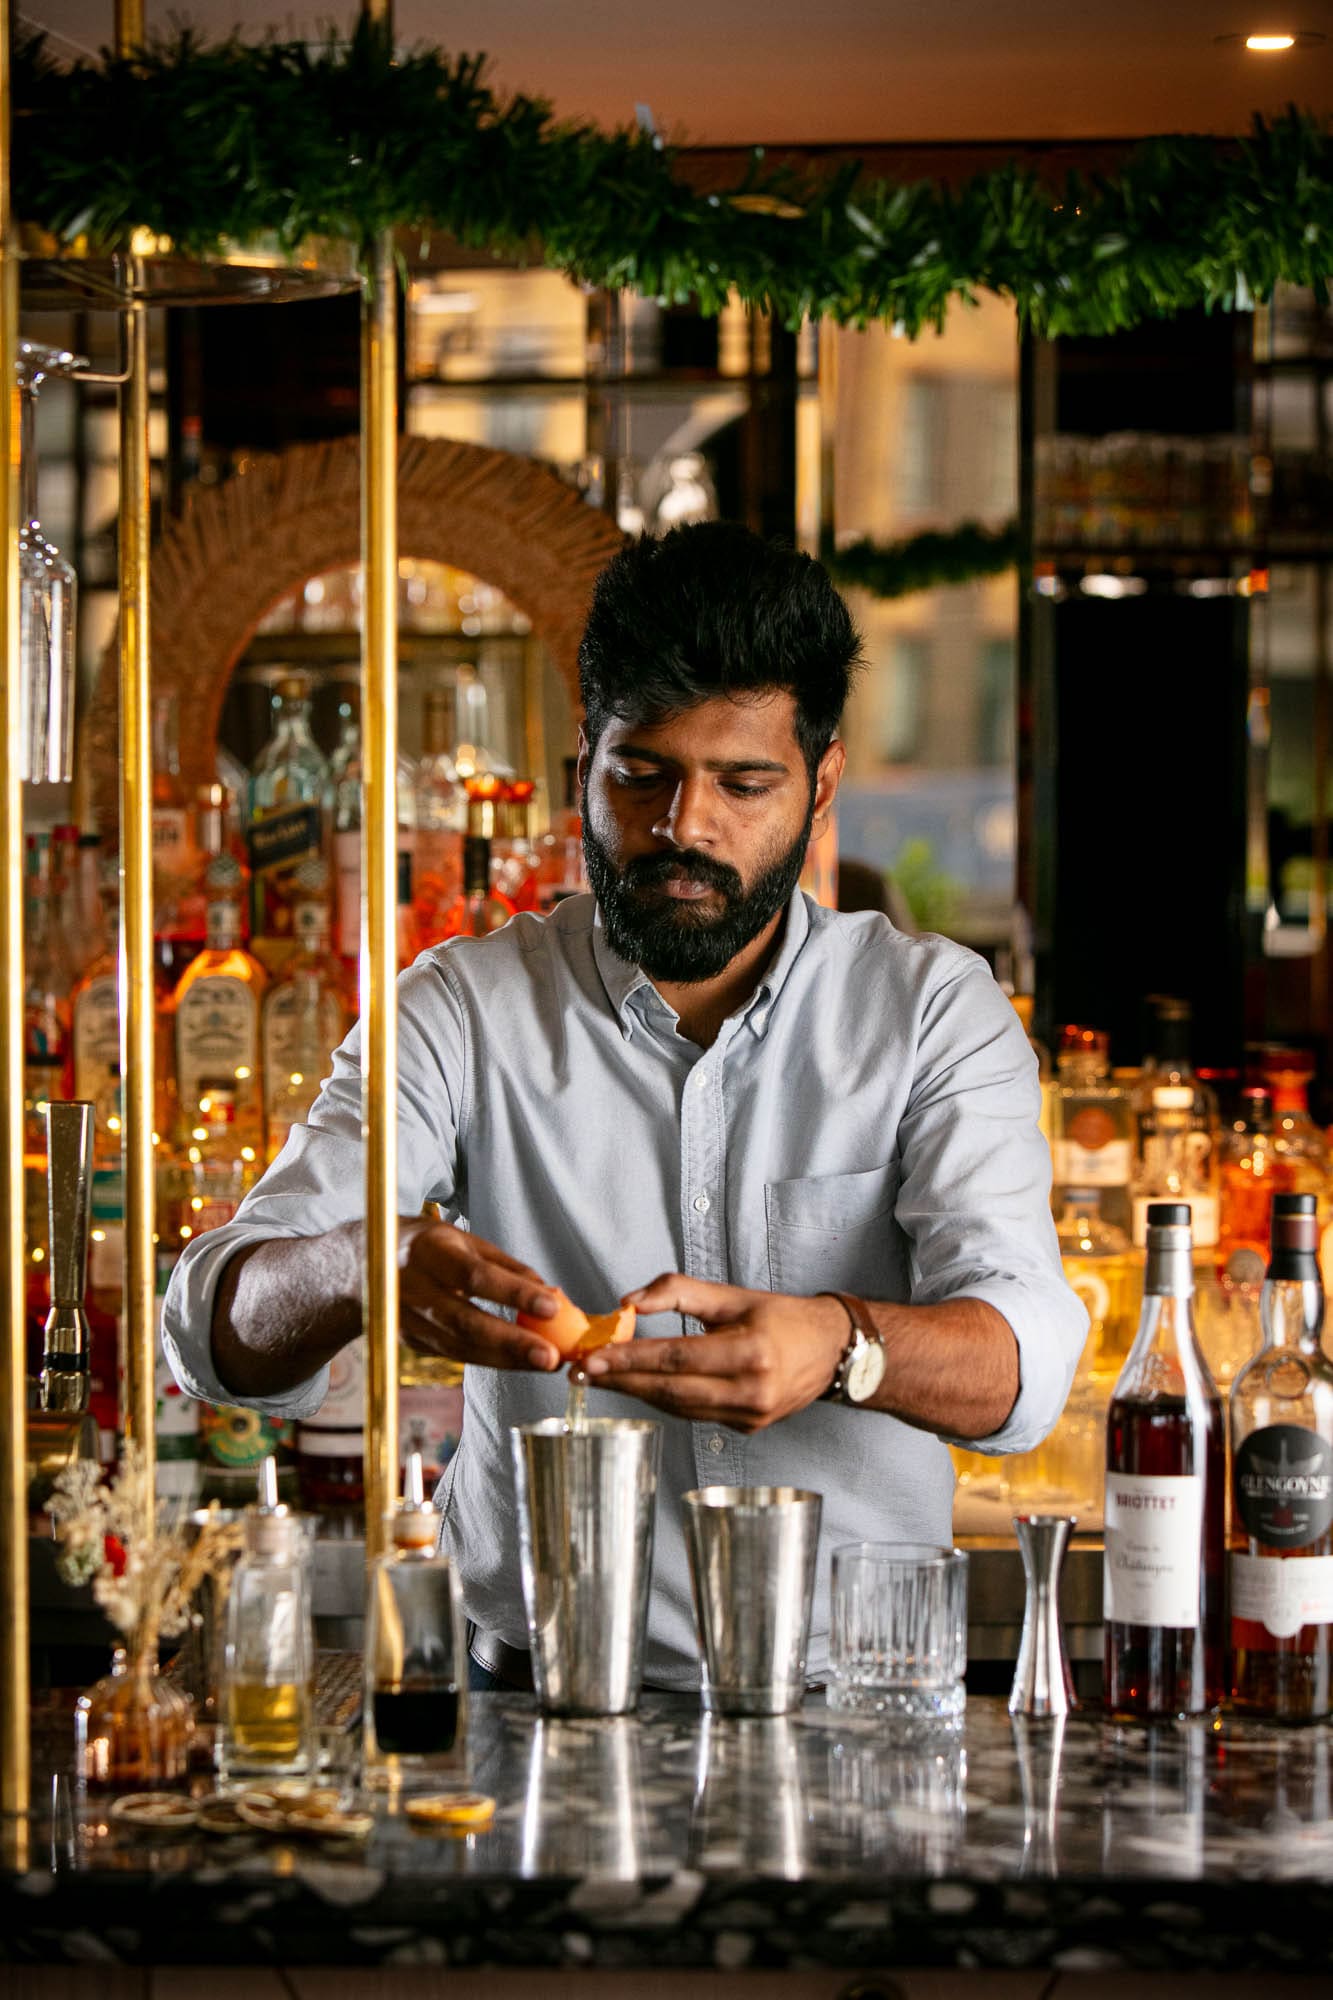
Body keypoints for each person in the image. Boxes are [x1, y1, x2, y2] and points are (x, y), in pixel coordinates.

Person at [162, 522, 1086, 1691]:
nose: (682, 827)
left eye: (744, 783)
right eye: (640, 773)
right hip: (529, 1705)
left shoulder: (928, 1012)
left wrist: (839, 1345)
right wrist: (364, 1262)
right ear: (579, 770)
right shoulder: (463, 1006)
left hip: (853, 1704)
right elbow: (206, 1325)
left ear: (822, 780)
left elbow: (1025, 1361)